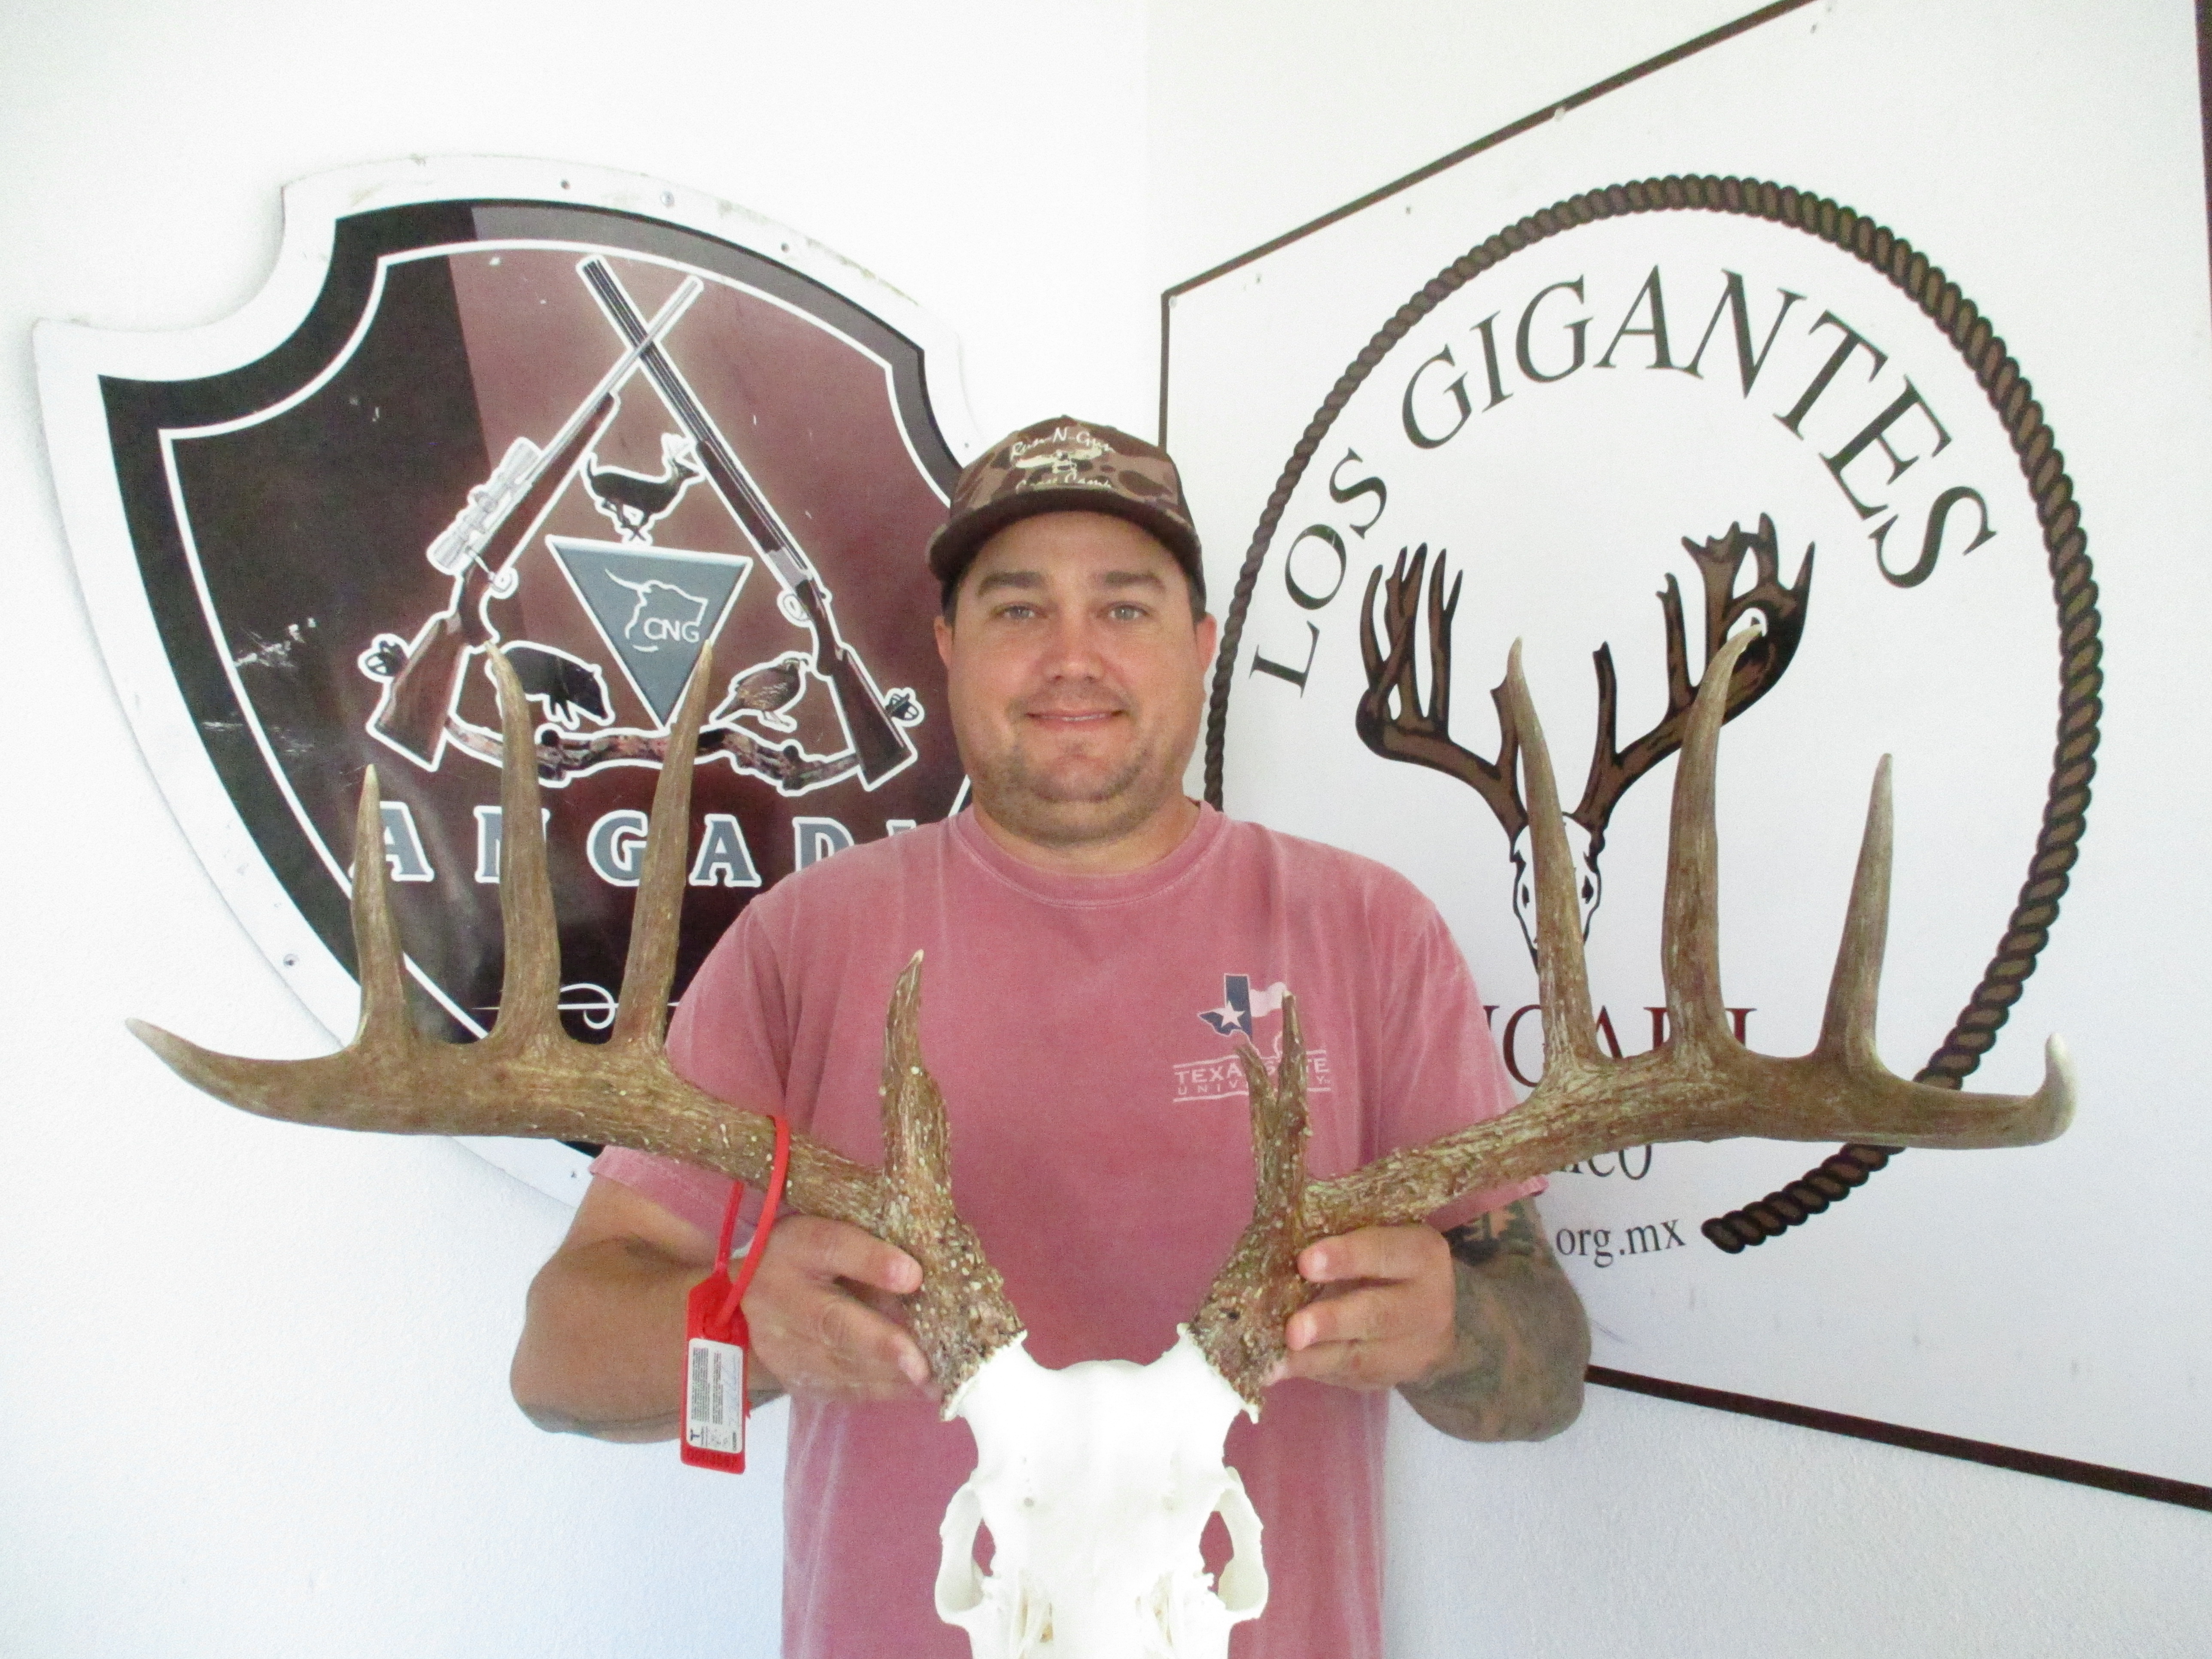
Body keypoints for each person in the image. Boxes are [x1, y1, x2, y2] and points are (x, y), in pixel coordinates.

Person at [509, 416, 1590, 1659]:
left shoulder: (1371, 933)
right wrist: (743, 1328)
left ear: (1199, 647)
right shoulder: (802, 942)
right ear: (948, 647)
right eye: (1020, 609)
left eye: (1124, 608)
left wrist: (1447, 1328)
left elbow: (1547, 1362)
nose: (1073, 658)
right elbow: (559, 1359)